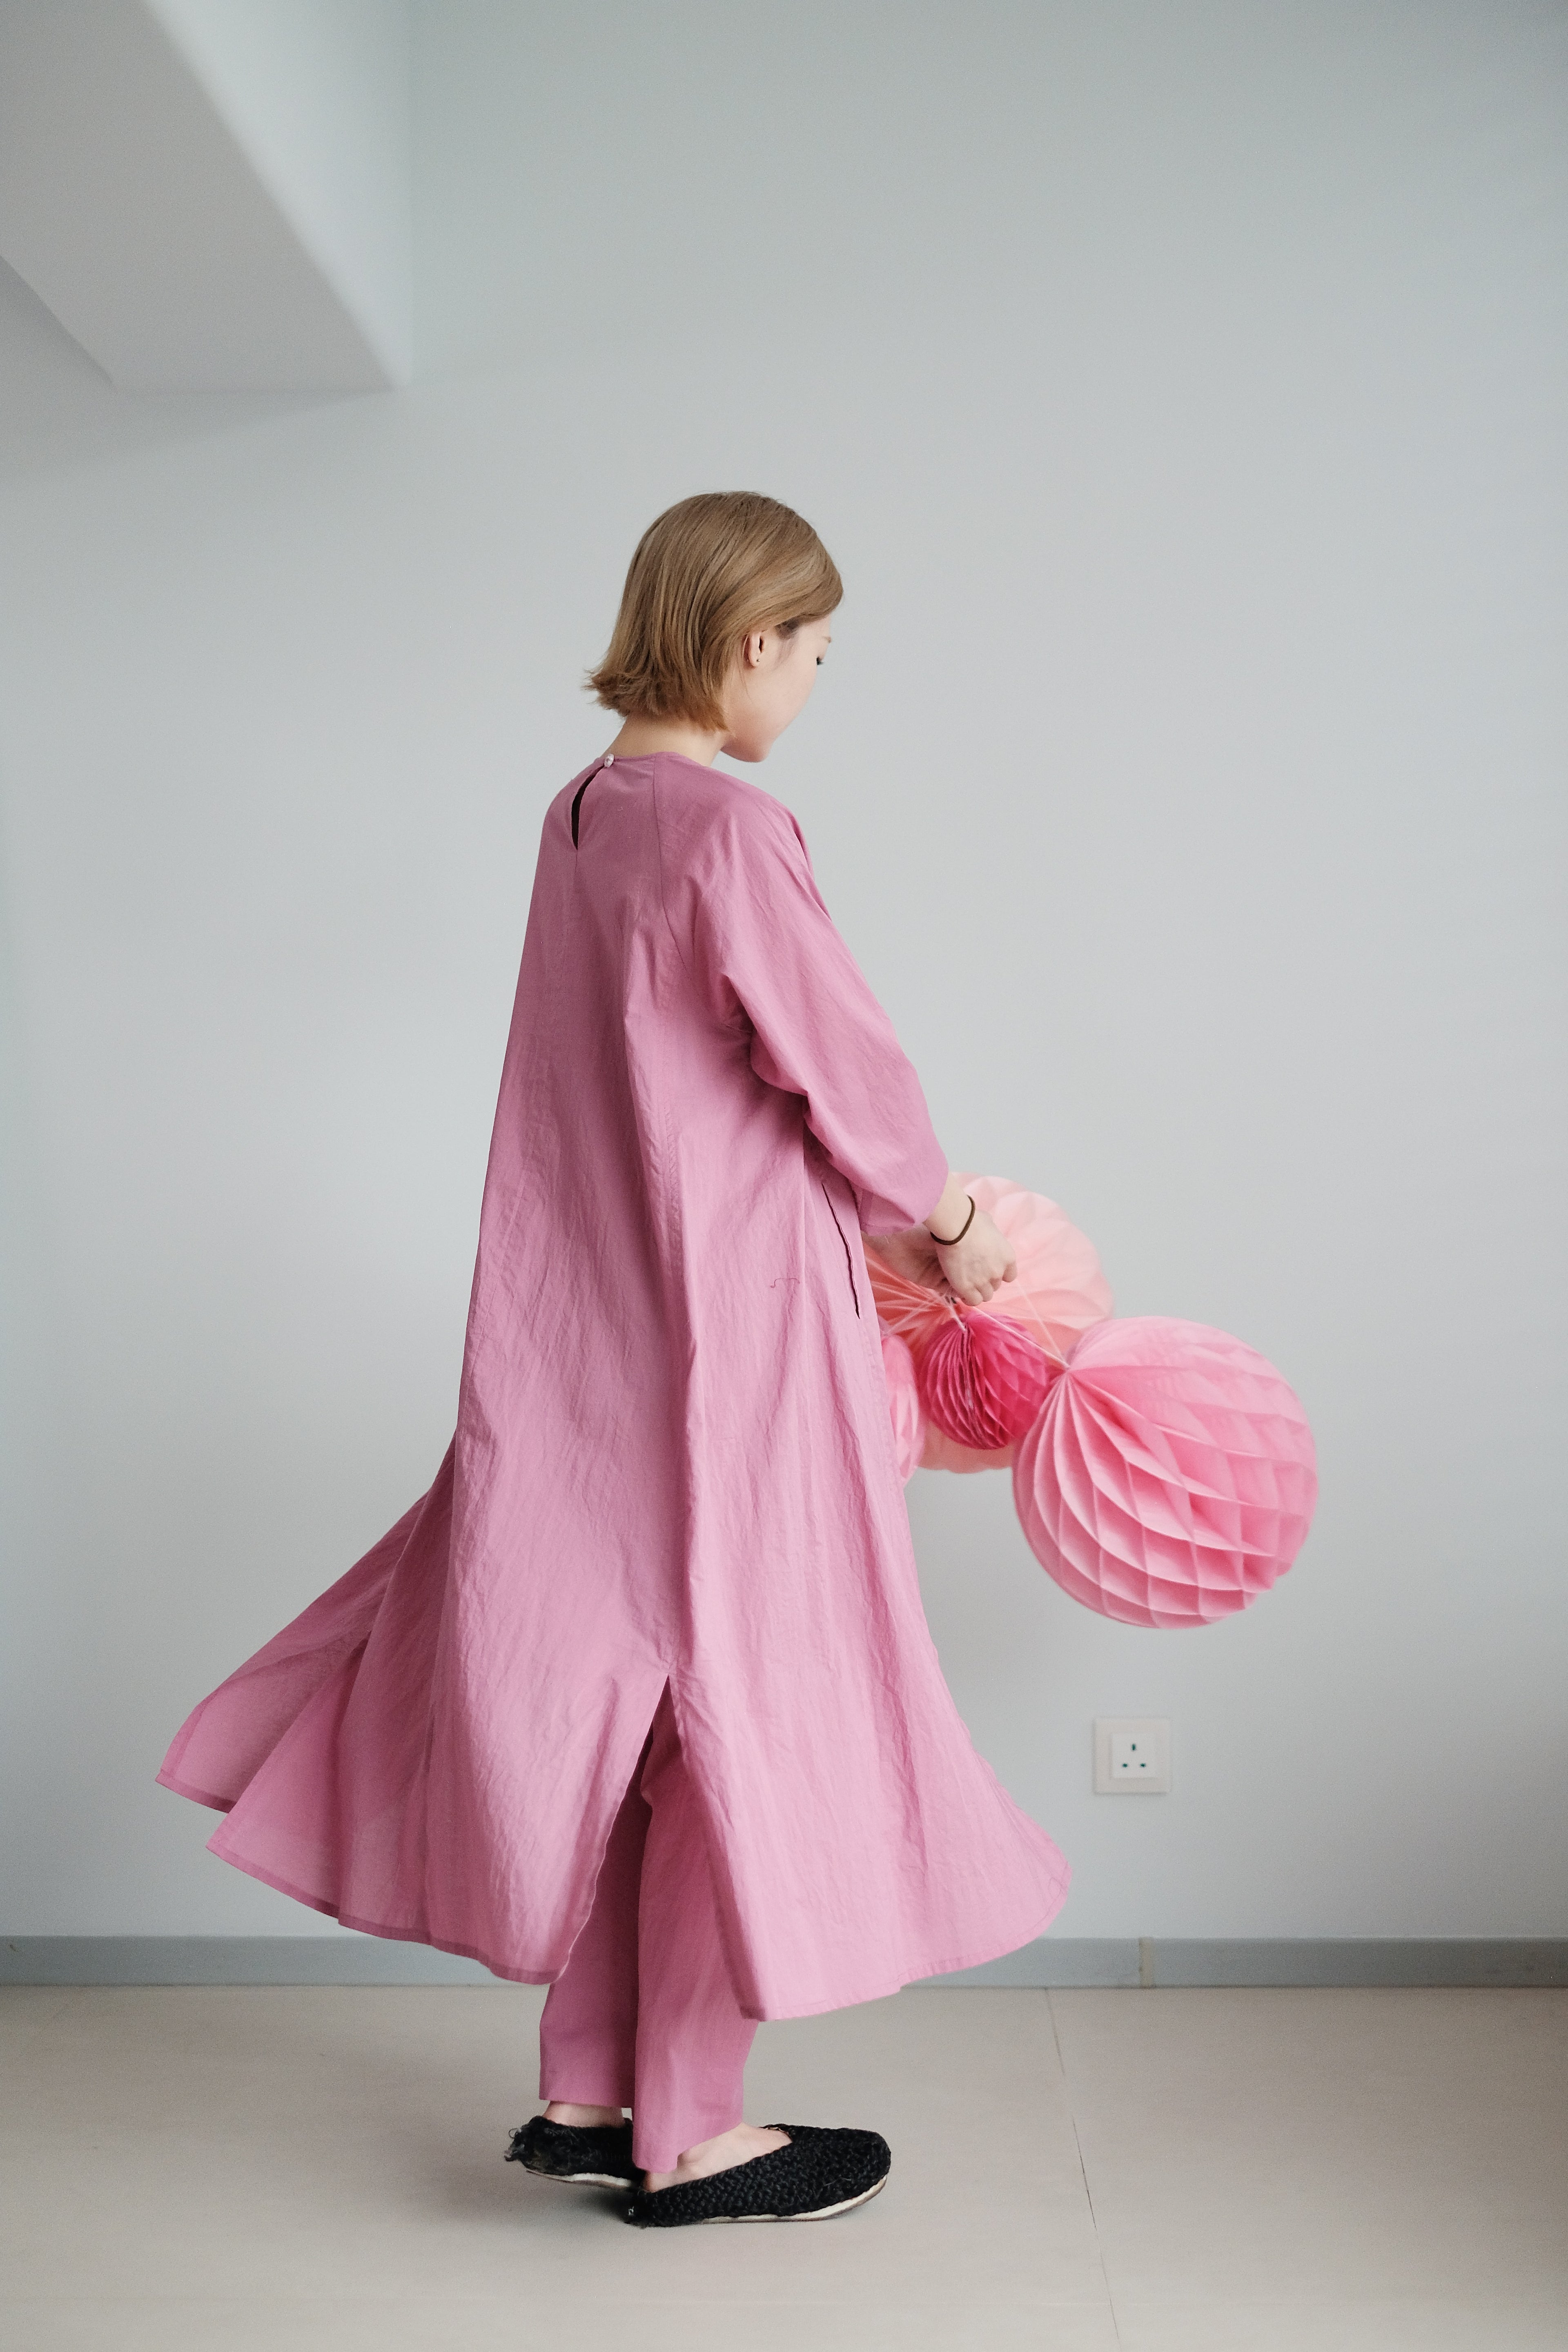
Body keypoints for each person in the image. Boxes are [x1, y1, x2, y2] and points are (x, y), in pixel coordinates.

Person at [158, 492, 1070, 2228]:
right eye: (816, 652)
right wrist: (950, 1223)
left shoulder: (580, 816)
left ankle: (591, 2093)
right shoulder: (731, 828)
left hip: (581, 1343)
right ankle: (695, 2134)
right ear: (753, 640)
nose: (813, 683)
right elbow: (843, 1072)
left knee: (618, 1710)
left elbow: (665, 1083)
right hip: (732, 1345)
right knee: (748, 1712)